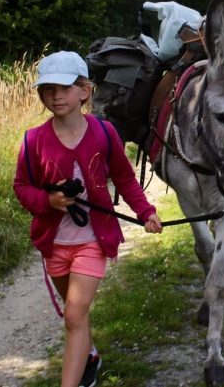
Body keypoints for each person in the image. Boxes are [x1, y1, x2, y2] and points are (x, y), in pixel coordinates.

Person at [13, 51, 163, 387]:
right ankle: (90, 355)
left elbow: (124, 179)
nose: (56, 95)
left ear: (85, 91)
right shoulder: (33, 140)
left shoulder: (104, 133)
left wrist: (146, 212)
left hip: (93, 241)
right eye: (48, 89)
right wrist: (48, 201)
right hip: (55, 244)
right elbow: (21, 187)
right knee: (73, 314)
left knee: (75, 313)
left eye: (65, 87)